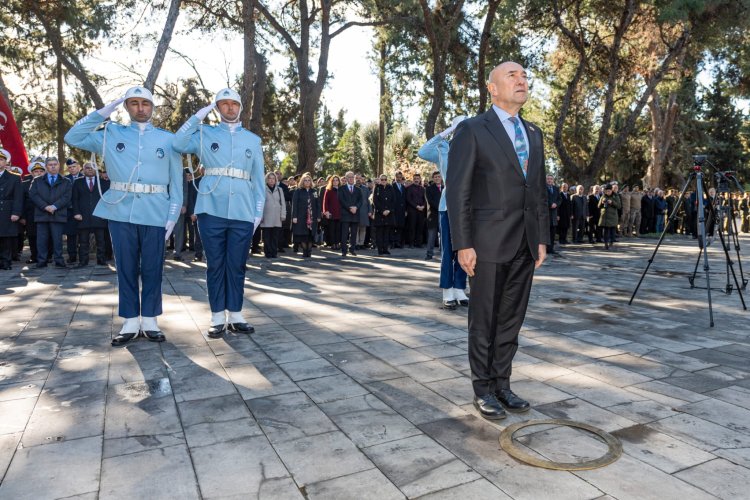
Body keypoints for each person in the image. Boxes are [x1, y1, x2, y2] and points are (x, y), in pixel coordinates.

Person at [447, 61, 548, 420]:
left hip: (525, 242)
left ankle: (502, 384)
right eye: (512, 76)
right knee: (484, 319)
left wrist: (541, 238)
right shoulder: (473, 130)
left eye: (524, 76)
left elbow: (536, 192)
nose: (522, 81)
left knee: (511, 319)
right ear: (492, 88)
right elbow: (458, 190)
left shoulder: (534, 133)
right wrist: (463, 243)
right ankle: (483, 388)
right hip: (486, 243)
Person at [65, 85, 183, 346]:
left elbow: (176, 184)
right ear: (127, 107)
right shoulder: (110, 133)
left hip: (156, 211)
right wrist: (103, 112)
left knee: (152, 268)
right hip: (121, 209)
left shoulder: (168, 139)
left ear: (153, 107)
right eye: (134, 103)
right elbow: (72, 137)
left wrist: (172, 216)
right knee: (125, 267)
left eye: (146, 103)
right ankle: (130, 321)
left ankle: (150, 319)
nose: (140, 108)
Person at [173, 87, 265, 339]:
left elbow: (258, 181)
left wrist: (257, 214)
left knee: (237, 265)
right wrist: (197, 117)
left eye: (234, 104)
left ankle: (235, 314)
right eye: (223, 104)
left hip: (243, 211)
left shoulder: (253, 140)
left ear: (240, 107)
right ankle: (216, 317)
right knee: (215, 265)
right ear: (217, 108)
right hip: (210, 208)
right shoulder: (204, 133)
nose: (230, 108)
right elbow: (178, 142)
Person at [417, 118, 469, 309]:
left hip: (469, 207)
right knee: (448, 250)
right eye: (459, 126)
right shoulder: (443, 149)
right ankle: (447, 290)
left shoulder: (475, 147)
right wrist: (448, 131)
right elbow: (422, 152)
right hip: (448, 206)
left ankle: (459, 287)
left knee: (466, 248)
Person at [29, 157, 72, 269]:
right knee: (41, 240)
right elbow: (33, 195)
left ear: (59, 166)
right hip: (42, 214)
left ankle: (59, 260)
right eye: (50, 165)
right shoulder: (37, 180)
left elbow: (67, 196)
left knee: (57, 239)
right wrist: (45, 206)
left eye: (55, 164)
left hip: (58, 214)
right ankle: (41, 260)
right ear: (46, 167)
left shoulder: (66, 181)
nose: (53, 166)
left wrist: (54, 206)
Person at [72, 162, 110, 266]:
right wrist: (76, 213)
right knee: (83, 241)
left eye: (92, 168)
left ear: (97, 170)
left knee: (101, 241)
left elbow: (107, 199)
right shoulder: (77, 183)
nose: (89, 169)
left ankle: (101, 260)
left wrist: (105, 213)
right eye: (87, 168)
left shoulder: (104, 182)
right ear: (83, 170)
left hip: (99, 216)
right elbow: (74, 199)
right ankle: (83, 261)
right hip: (82, 216)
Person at [0, 149, 23, 270]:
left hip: (7, 211)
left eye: (1, 159)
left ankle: (6, 262)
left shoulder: (14, 178)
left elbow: (18, 198)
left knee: (6, 238)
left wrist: (16, 213)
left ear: (6, 162)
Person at [20, 161, 47, 264]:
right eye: (36, 171)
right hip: (30, 215)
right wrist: (22, 216)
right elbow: (21, 201)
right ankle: (34, 256)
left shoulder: (48, 182)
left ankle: (47, 256)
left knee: (45, 235)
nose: (39, 173)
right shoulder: (25, 184)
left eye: (41, 171)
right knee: (32, 236)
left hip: (45, 213)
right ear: (32, 173)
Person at [291, 173, 321, 258]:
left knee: (311, 235)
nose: (307, 182)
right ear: (302, 181)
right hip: (301, 217)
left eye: (309, 180)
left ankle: (309, 251)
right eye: (305, 180)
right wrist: (294, 216)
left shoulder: (314, 191)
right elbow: (295, 204)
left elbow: (318, 204)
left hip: (312, 217)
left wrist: (319, 216)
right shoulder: (298, 191)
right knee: (303, 235)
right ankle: (305, 251)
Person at [260, 172, 286, 258]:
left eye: (273, 178)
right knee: (266, 236)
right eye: (269, 178)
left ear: (276, 180)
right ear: (266, 180)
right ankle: (267, 252)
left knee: (275, 236)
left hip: (277, 217)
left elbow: (283, 203)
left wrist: (283, 215)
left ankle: (274, 252)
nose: (271, 180)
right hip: (266, 216)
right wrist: (260, 216)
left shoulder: (279, 190)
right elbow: (261, 203)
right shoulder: (263, 189)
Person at [63, 158, 84, 263]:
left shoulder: (85, 178)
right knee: (71, 235)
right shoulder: (64, 179)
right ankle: (72, 256)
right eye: (70, 167)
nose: (72, 169)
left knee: (83, 235)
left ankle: (83, 256)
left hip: (82, 211)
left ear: (79, 167)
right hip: (69, 211)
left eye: (74, 166)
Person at [338, 171, 361, 257]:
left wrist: (356, 207)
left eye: (352, 177)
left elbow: (360, 201)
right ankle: (344, 250)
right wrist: (349, 208)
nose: (351, 179)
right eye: (349, 177)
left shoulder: (358, 189)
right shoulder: (341, 189)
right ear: (346, 179)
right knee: (344, 233)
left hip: (355, 213)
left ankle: (352, 249)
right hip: (345, 214)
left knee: (354, 233)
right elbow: (341, 200)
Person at [371, 174, 395, 255]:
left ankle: (385, 249)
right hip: (379, 214)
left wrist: (389, 210)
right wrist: (382, 211)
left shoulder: (390, 188)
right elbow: (375, 201)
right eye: (382, 179)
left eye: (385, 179)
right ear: (380, 180)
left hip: (389, 214)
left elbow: (393, 200)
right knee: (379, 233)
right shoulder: (377, 188)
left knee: (387, 232)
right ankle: (380, 250)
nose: (384, 181)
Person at [424, 171, 442, 261]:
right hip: (433, 215)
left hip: (444, 214)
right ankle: (429, 253)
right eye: (435, 177)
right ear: (433, 178)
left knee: (444, 236)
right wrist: (441, 207)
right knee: (431, 236)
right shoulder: (429, 189)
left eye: (439, 176)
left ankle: (444, 253)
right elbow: (430, 201)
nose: (437, 178)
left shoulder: (445, 187)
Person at [405, 173, 426, 248]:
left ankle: (419, 243)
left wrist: (423, 206)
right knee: (412, 227)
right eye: (415, 178)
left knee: (420, 227)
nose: (416, 180)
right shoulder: (409, 188)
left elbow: (425, 199)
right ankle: (411, 243)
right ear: (413, 179)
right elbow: (408, 199)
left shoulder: (422, 188)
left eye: (418, 178)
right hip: (412, 211)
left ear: (420, 179)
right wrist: (416, 206)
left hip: (421, 211)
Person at [598, 184, 621, 250]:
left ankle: (611, 244)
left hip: (613, 217)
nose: (608, 192)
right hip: (605, 217)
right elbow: (598, 206)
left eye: (609, 191)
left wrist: (612, 202)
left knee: (612, 231)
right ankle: (605, 244)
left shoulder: (615, 196)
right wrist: (602, 202)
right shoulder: (603, 196)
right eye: (606, 191)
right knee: (605, 232)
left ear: (611, 190)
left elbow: (619, 206)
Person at [322, 175, 341, 250]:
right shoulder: (328, 190)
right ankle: (333, 244)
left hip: (340, 213)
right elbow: (325, 202)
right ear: (331, 181)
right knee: (332, 230)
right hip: (331, 213)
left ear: (339, 181)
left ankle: (337, 243)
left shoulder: (341, 189)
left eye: (337, 180)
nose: (335, 181)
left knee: (339, 230)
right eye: (334, 180)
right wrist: (326, 212)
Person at [391, 171, 407, 248]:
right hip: (394, 210)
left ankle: (398, 242)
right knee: (393, 226)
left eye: (400, 177)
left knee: (400, 226)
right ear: (395, 177)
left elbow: (405, 199)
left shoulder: (404, 187)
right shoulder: (392, 186)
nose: (399, 179)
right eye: (397, 177)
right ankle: (392, 243)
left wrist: (405, 210)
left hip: (402, 210)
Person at [356, 174, 371, 249]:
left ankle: (361, 244)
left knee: (363, 229)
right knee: (355, 228)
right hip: (355, 211)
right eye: (357, 178)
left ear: (362, 180)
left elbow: (369, 201)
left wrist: (370, 211)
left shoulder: (365, 189)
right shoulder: (353, 188)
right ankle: (356, 244)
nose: (358, 180)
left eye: (360, 178)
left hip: (364, 211)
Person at [546, 175, 560, 253]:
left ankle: (551, 249)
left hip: (554, 214)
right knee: (546, 233)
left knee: (552, 233)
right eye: (548, 179)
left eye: (551, 179)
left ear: (553, 180)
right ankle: (545, 249)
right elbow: (542, 199)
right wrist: (550, 204)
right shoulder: (542, 188)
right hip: (546, 214)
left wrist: (556, 204)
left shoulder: (556, 189)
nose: (549, 180)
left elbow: (559, 199)